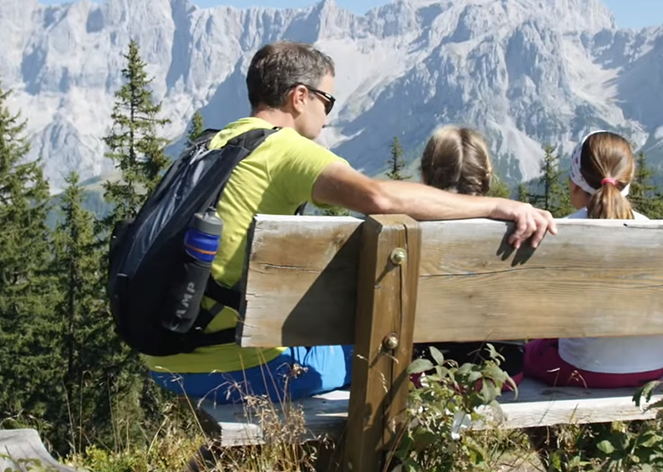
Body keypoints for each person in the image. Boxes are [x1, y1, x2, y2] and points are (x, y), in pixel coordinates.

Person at [147, 41, 556, 404]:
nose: (327, 117)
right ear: (299, 97)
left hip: (166, 356)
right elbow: (378, 197)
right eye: (328, 102)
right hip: (236, 368)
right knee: (377, 353)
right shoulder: (284, 148)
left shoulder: (216, 142)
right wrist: (496, 207)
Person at [522, 130, 663, 389]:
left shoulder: (559, 231)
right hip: (654, 366)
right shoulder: (656, 231)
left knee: (533, 350)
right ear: (628, 180)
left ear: (575, 182)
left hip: (584, 368)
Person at [414, 124, 525, 391]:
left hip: (428, 372)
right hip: (503, 373)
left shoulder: (408, 230)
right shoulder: (519, 231)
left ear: (425, 176)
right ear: (487, 177)